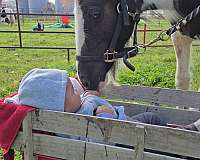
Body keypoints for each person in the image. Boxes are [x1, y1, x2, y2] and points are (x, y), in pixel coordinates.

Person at [4, 68, 200, 132]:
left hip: (123, 125)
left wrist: (89, 96)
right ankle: (186, 136)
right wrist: (104, 117)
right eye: (72, 91)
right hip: (124, 137)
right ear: (59, 106)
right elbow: (90, 140)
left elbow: (83, 98)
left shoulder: (73, 107)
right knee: (153, 124)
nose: (77, 91)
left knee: (151, 118)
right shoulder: (77, 123)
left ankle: (179, 130)